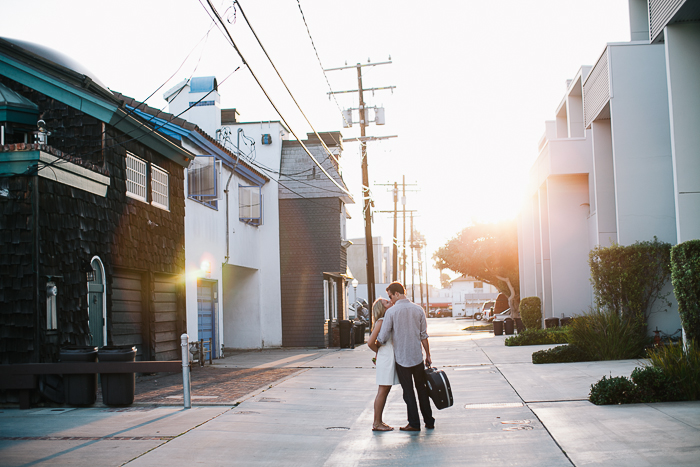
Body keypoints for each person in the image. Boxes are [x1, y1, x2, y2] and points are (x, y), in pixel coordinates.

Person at [377, 281, 435, 432]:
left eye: (391, 296)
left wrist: (377, 345)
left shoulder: (391, 312)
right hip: (417, 357)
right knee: (422, 390)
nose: (390, 300)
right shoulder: (418, 310)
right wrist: (428, 355)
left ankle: (414, 424)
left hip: (401, 359)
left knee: (408, 392)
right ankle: (429, 421)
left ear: (397, 293)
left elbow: (382, 338)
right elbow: (424, 335)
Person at [367, 298, 400, 431]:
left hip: (388, 358)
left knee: (385, 390)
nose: (390, 302)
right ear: (382, 308)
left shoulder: (387, 320)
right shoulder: (381, 321)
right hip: (386, 359)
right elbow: (370, 342)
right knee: (383, 390)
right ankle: (376, 423)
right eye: (387, 302)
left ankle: (379, 421)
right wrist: (379, 353)